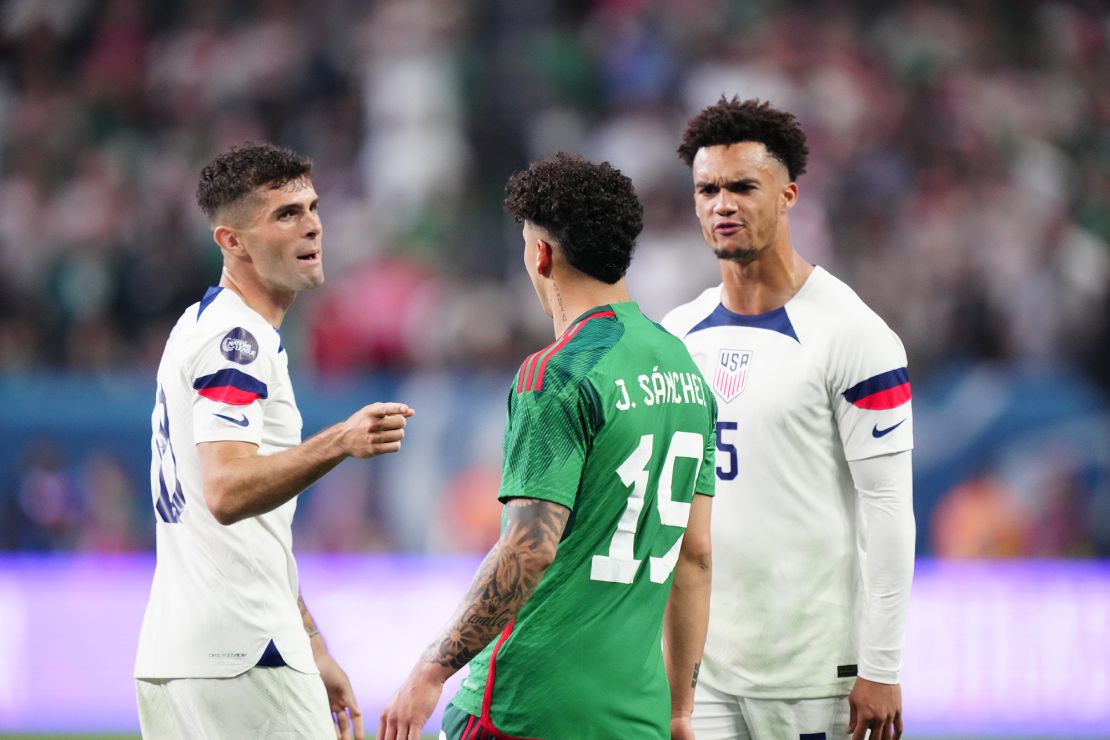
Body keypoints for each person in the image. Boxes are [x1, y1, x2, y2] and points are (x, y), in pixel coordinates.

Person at [378, 153, 718, 740]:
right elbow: (696, 555)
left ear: (541, 254)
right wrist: (680, 710)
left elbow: (528, 548)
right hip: (634, 718)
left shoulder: (558, 373)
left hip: (524, 708)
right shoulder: (686, 370)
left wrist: (432, 671)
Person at [134, 142, 414, 740]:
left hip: (186, 657)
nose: (312, 223)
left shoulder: (199, 325)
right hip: (242, 661)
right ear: (231, 242)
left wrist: (308, 639)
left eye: (312, 207)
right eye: (285, 214)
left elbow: (251, 538)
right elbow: (227, 491)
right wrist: (340, 440)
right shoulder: (237, 340)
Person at [661, 97, 916, 740]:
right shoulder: (677, 335)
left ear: (788, 195)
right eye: (708, 189)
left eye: (743, 186)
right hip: (705, 672)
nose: (723, 204)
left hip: (816, 677)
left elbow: (889, 510)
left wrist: (882, 665)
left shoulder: (855, 336)